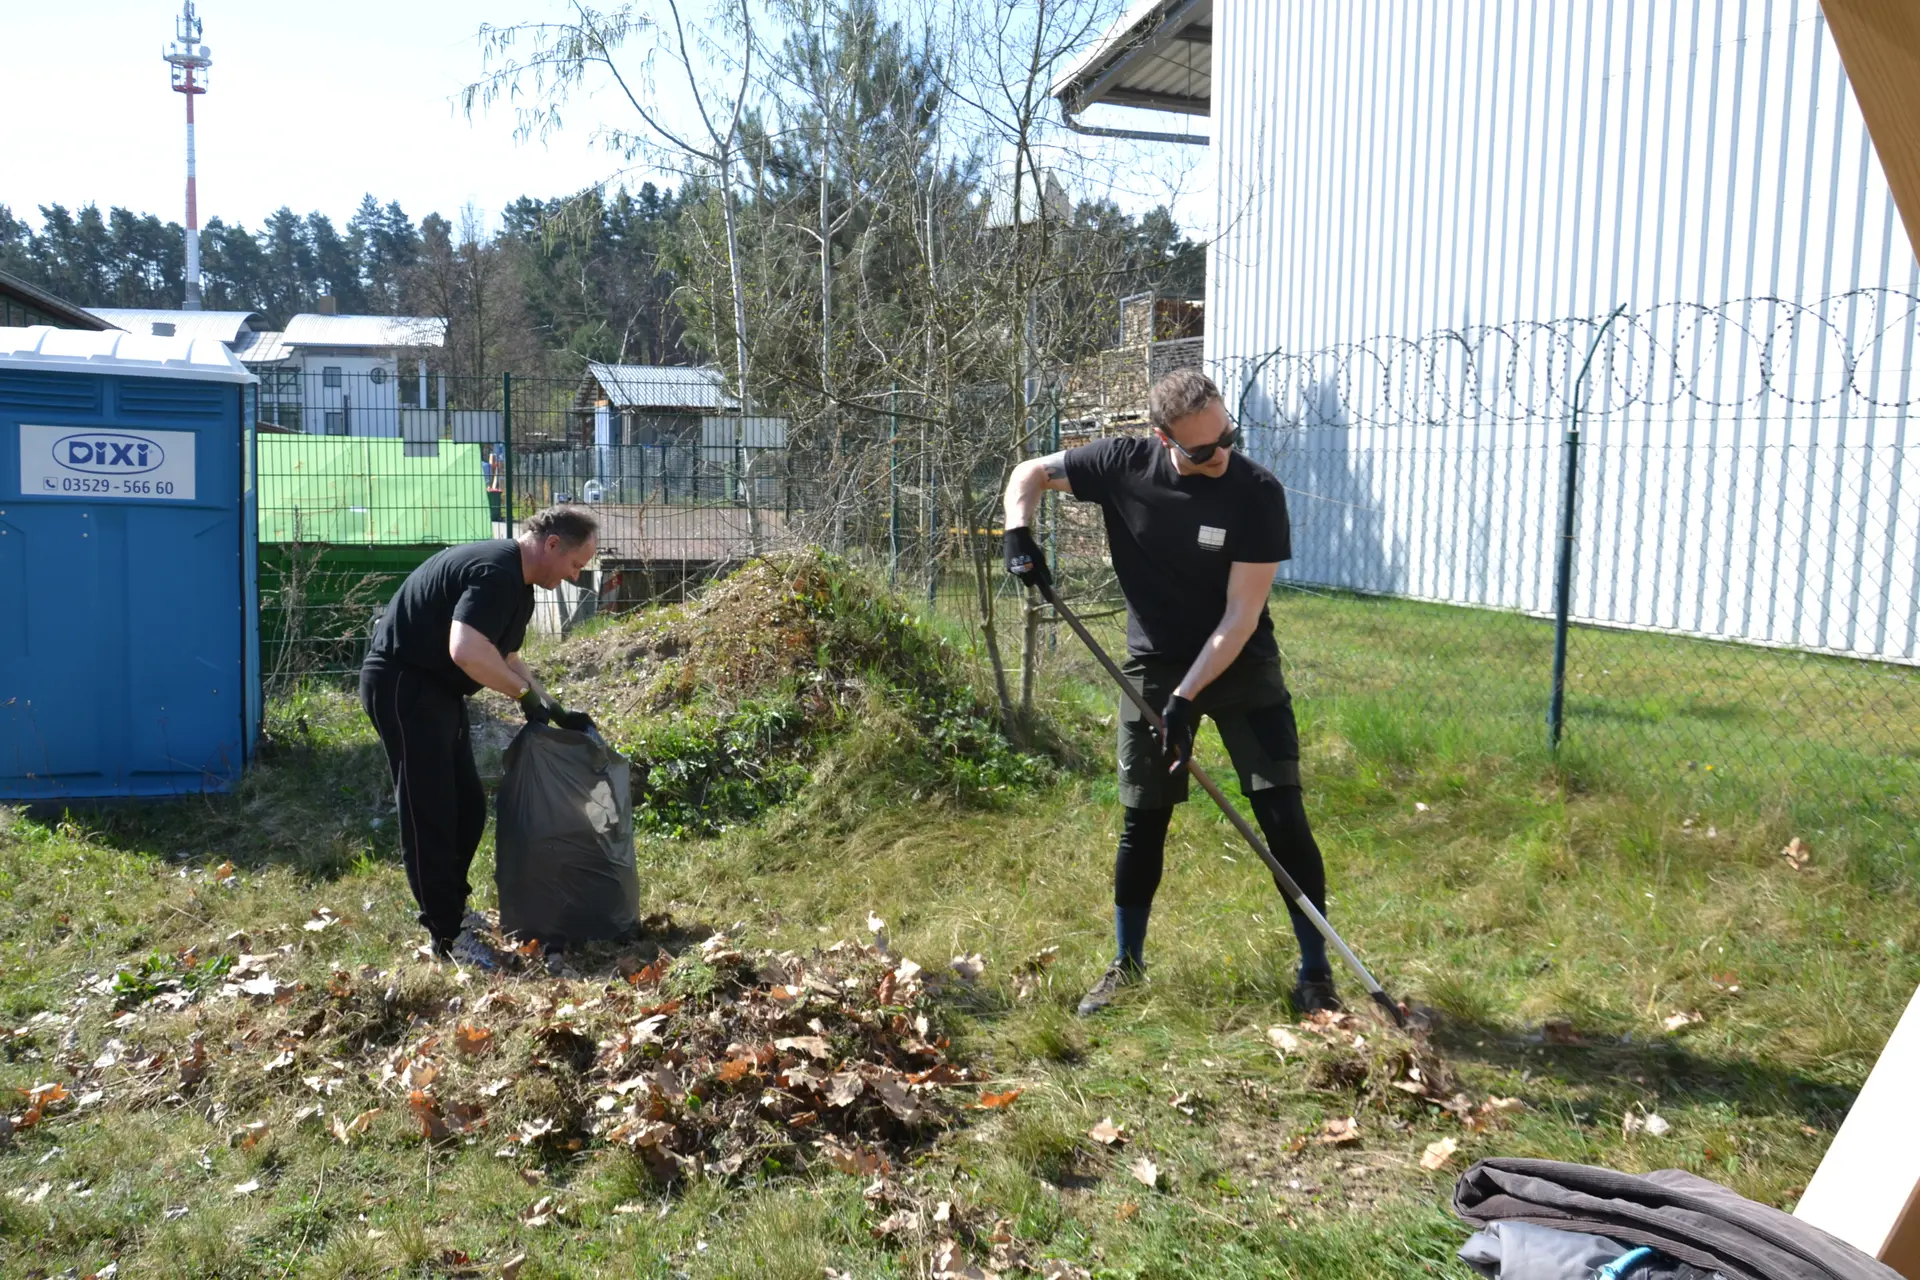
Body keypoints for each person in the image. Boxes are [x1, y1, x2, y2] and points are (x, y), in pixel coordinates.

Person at [1001, 369, 1341, 1017]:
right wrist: (1020, 534)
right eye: (1203, 450)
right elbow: (1029, 472)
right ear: (1164, 440)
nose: (1222, 457)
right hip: (1155, 665)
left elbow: (1239, 619)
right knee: (1144, 820)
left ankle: (1316, 970)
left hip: (1240, 666)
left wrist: (1187, 701)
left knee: (1282, 816)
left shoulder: (1256, 493)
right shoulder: (1121, 463)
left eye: (1228, 438)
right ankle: (1125, 966)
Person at [359, 505, 600, 968]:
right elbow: (466, 649)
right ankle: (447, 936)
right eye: (575, 564)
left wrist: (553, 708)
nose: (575, 575)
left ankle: (454, 908)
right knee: (429, 812)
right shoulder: (495, 572)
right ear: (551, 545)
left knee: (467, 808)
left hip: (437, 692)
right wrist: (522, 699)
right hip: (404, 685)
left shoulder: (520, 587)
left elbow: (504, 656)